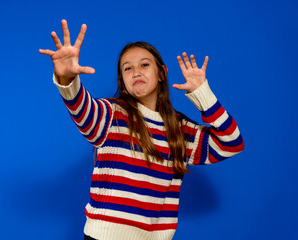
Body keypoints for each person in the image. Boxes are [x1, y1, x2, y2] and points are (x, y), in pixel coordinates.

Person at [39, 19, 244, 240]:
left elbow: (232, 143)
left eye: (144, 65)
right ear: (123, 80)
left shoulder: (182, 130)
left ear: (162, 73)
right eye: (128, 68)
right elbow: (81, 107)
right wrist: (67, 78)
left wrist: (203, 94)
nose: (136, 72)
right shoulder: (111, 115)